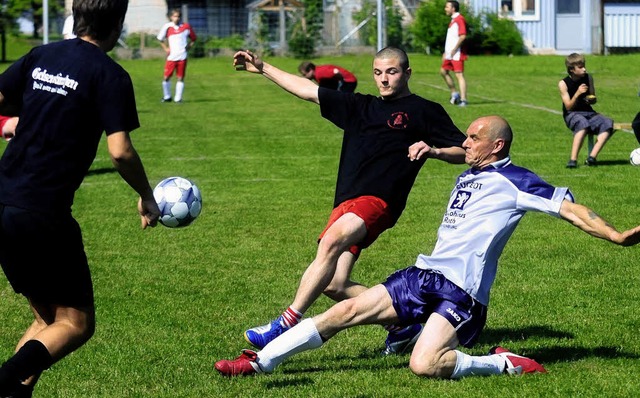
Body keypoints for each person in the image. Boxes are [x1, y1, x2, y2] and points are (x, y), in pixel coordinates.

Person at [215, 115, 640, 379]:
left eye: (473, 138)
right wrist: (435, 150)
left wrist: (616, 235)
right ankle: (259, 362)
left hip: (462, 293)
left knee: (424, 365)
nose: (466, 143)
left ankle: (501, 363)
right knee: (341, 311)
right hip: (423, 273)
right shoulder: (469, 174)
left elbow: (572, 210)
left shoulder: (517, 181)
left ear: (497, 146)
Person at [232, 46, 467, 356]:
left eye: (392, 72)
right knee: (334, 283)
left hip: (379, 201)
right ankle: (402, 324)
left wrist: (434, 150)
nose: (384, 80)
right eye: (378, 73)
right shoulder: (360, 106)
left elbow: (464, 151)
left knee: (330, 242)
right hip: (345, 203)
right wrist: (264, 68)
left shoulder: (424, 111)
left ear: (407, 73)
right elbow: (308, 90)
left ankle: (286, 322)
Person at [0, 0, 161, 396]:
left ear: (76, 15)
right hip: (42, 213)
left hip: (3, 200)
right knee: (76, 323)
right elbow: (120, 151)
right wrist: (146, 195)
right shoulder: (110, 75)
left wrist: (11, 121)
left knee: (47, 319)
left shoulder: (42, 55)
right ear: (118, 23)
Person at [559, 53, 614, 168]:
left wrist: (591, 100)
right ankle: (573, 160)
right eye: (580, 67)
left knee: (607, 123)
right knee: (582, 124)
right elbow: (568, 106)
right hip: (572, 114)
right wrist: (578, 93)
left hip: (588, 112)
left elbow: (592, 97)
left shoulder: (588, 78)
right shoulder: (563, 83)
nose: (584, 69)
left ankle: (592, 158)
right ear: (572, 70)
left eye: (584, 66)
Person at [157, 8, 197, 103]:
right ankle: (167, 96)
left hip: (182, 56)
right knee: (166, 77)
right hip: (171, 57)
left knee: (180, 77)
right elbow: (160, 39)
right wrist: (166, 48)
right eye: (175, 16)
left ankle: (178, 98)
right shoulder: (167, 27)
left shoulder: (186, 27)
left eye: (178, 16)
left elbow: (193, 38)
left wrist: (188, 47)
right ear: (171, 17)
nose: (177, 18)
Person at [440, 0, 468, 107]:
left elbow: (463, 36)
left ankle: (464, 99)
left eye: (447, 7)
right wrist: (446, 52)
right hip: (449, 54)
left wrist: (455, 49)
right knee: (443, 71)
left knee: (459, 75)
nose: (445, 9)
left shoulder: (460, 19)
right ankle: (454, 93)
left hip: (456, 53)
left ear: (453, 8)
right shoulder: (453, 20)